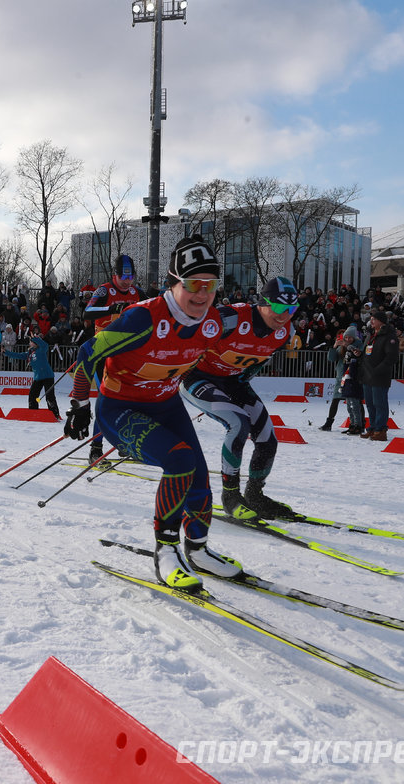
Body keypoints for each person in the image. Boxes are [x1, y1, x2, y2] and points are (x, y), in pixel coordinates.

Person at [64, 236, 237, 592]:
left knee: (201, 480)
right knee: (180, 461)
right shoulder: (142, 318)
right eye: (193, 284)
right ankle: (166, 552)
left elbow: (257, 328)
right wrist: (80, 407)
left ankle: (199, 550)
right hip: (121, 407)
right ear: (174, 285)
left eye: (211, 285)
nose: (202, 294)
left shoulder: (216, 320)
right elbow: (86, 353)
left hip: (167, 404)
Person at [180, 276, 300, 520]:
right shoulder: (230, 318)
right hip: (196, 377)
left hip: (233, 381)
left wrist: (245, 375)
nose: (284, 315)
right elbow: (185, 333)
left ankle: (255, 495)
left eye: (291, 309)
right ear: (262, 303)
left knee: (267, 437)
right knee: (238, 423)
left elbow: (260, 358)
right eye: (278, 307)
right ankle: (230, 496)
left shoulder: (285, 331)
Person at [82, 254, 141, 468]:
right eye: (123, 276)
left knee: (132, 400)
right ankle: (95, 450)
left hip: (127, 355)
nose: (127, 281)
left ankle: (124, 444)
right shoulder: (105, 290)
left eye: (130, 276)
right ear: (115, 275)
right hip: (103, 352)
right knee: (107, 401)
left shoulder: (136, 292)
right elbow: (87, 312)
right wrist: (110, 309)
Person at [3, 325, 60, 419]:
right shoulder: (29, 353)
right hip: (38, 377)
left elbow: (45, 345)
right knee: (32, 395)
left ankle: (55, 414)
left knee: (49, 396)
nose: (30, 343)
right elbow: (18, 355)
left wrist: (36, 338)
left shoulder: (41, 350)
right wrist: (6, 352)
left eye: (31, 341)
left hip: (47, 376)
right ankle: (33, 412)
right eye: (30, 341)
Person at [360, 309, 399, 442]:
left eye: (373, 319)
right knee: (370, 404)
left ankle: (381, 430)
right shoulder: (371, 335)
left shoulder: (389, 336)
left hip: (379, 376)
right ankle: (372, 428)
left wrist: (377, 370)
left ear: (381, 321)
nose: (371, 321)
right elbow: (367, 353)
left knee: (380, 403)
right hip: (367, 375)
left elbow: (391, 357)